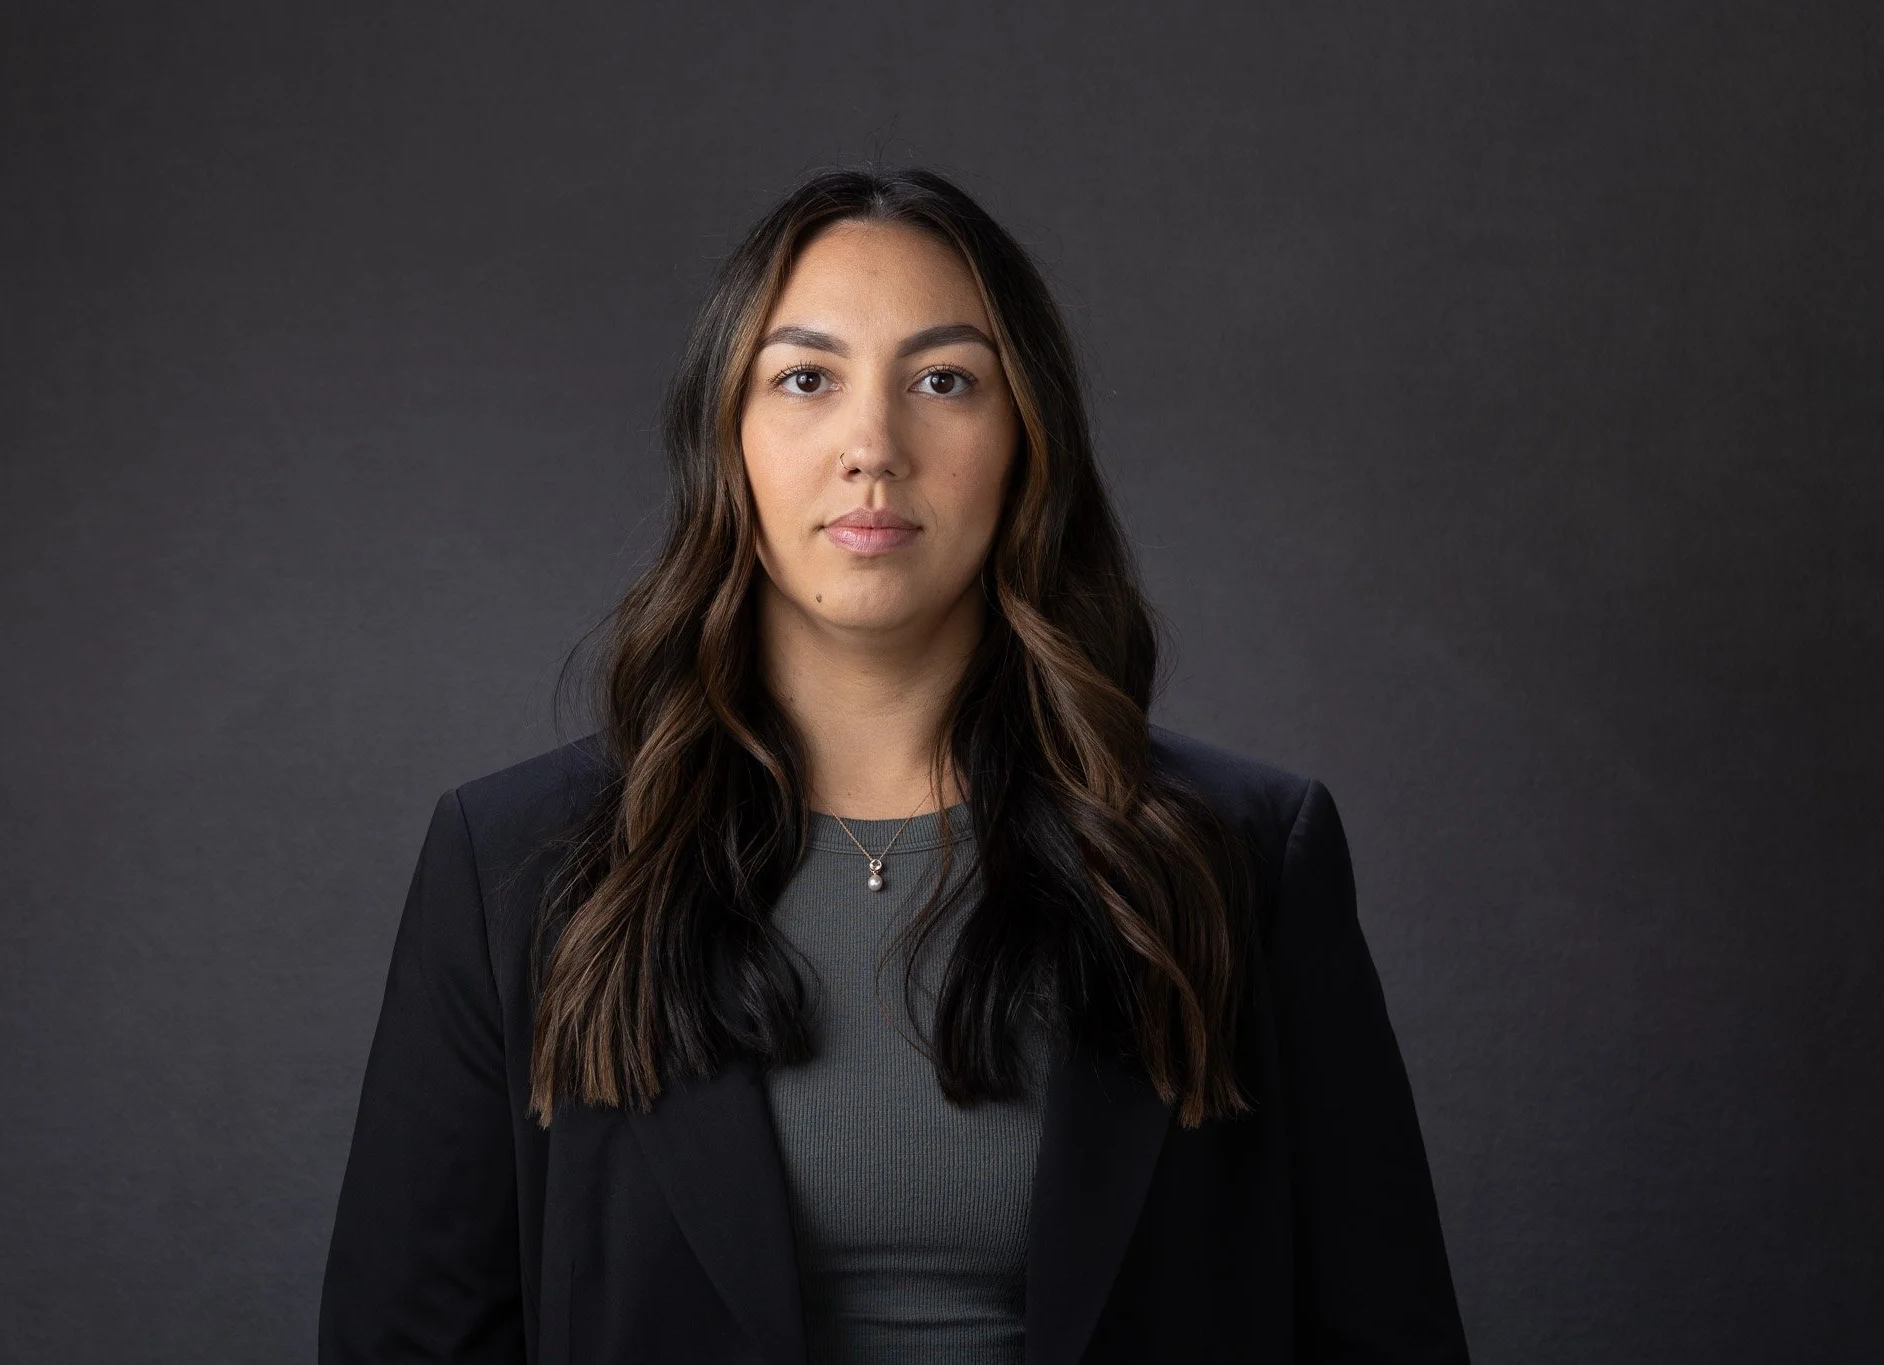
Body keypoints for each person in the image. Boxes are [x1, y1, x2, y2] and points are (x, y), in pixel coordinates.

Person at [317, 166, 1470, 1364]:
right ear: (727, 438)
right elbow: (408, 1340)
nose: (873, 445)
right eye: (805, 379)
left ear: (1027, 440)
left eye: (943, 381)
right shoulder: (513, 868)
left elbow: (1382, 1337)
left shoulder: (1237, 857)